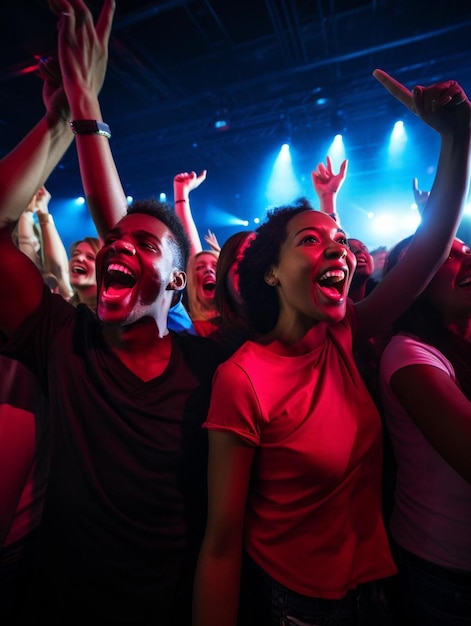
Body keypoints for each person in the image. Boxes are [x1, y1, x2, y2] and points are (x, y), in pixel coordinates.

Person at [192, 69, 471, 625]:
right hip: (297, 607)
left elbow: (434, 243)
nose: (337, 250)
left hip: (376, 593)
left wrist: (457, 135)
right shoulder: (242, 378)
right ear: (270, 271)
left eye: (340, 240)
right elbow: (221, 545)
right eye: (311, 240)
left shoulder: (344, 334)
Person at [0, 2, 223, 624]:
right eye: (115, 242)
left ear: (178, 281)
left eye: (145, 246)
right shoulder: (62, 338)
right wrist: (58, 121)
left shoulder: (214, 366)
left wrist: (88, 112)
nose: (119, 245)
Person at [378, 234, 471, 625]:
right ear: (412, 281)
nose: (467, 258)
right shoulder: (407, 353)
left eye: (466, 250)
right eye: (447, 255)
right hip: (447, 575)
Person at [174, 170, 220, 335]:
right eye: (200, 268)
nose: (208, 269)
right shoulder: (184, 326)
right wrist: (181, 194)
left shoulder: (243, 319)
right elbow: (191, 251)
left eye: (215, 266)